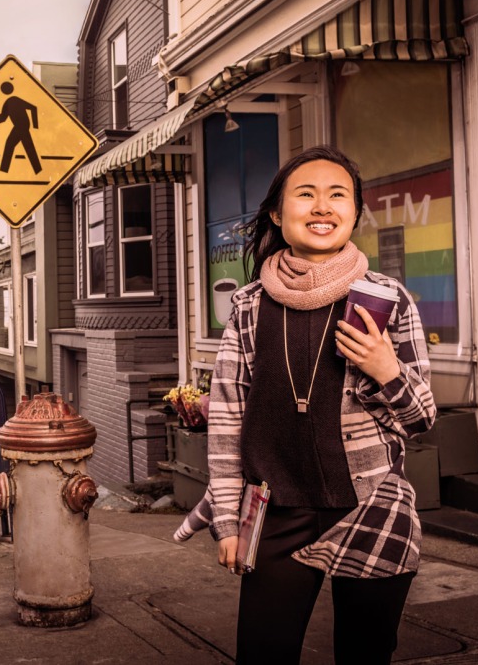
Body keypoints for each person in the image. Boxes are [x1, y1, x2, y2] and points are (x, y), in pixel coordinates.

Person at [173, 145, 436, 663]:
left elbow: (421, 418)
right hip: (275, 511)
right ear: (277, 212)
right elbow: (226, 419)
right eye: (306, 194)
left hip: (373, 505)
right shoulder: (249, 306)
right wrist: (228, 521)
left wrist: (387, 371)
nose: (323, 207)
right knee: (262, 652)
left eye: (338, 195)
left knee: (366, 654)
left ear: (355, 212)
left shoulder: (387, 299)